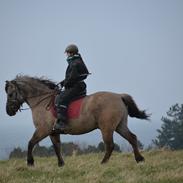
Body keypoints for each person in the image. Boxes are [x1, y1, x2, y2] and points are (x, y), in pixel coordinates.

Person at [54, 44, 90, 131]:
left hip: (76, 86)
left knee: (61, 99)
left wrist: (64, 85)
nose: (67, 55)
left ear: (71, 53)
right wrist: (61, 83)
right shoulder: (76, 61)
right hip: (78, 85)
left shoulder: (74, 63)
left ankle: (62, 123)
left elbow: (72, 78)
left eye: (67, 53)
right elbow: (70, 77)